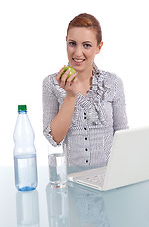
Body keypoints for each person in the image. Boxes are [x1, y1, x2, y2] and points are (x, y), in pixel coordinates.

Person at [42, 13, 128, 167]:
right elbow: (54, 139)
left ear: (98, 47)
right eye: (72, 43)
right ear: (66, 42)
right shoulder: (51, 83)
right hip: (71, 181)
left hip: (108, 178)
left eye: (86, 45)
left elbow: (123, 136)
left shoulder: (113, 83)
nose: (77, 52)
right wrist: (71, 95)